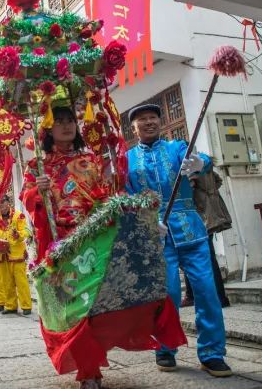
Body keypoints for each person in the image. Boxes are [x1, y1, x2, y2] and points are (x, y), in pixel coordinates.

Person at [22, 106, 186, 389]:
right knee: (74, 308)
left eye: (70, 120)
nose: (66, 126)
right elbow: (28, 201)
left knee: (97, 302)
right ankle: (88, 370)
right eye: (59, 122)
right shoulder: (38, 166)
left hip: (95, 238)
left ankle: (94, 362)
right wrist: (39, 190)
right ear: (47, 130)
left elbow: (110, 196)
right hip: (63, 245)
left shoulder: (92, 159)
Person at [125, 104, 231, 378]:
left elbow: (203, 159)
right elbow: (125, 198)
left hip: (191, 229)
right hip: (156, 233)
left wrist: (200, 164)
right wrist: (145, 220)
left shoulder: (177, 148)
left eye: (153, 118)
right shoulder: (127, 160)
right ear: (133, 128)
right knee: (168, 293)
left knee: (207, 291)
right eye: (142, 120)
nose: (149, 122)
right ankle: (165, 347)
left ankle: (212, 353)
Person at [181, 170, 231, 308]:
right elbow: (218, 181)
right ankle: (217, 297)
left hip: (199, 215)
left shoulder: (190, 169)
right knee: (208, 257)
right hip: (210, 214)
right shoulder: (203, 165)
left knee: (201, 257)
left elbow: (185, 189)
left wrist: (201, 198)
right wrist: (209, 197)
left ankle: (217, 298)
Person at [0, 196, 31, 316]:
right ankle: (11, 306)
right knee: (7, 282)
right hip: (2, 255)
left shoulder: (18, 215)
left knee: (21, 282)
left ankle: (26, 306)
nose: (0, 205)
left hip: (17, 255)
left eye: (2, 202)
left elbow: (27, 231)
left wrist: (18, 234)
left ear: (8, 203)